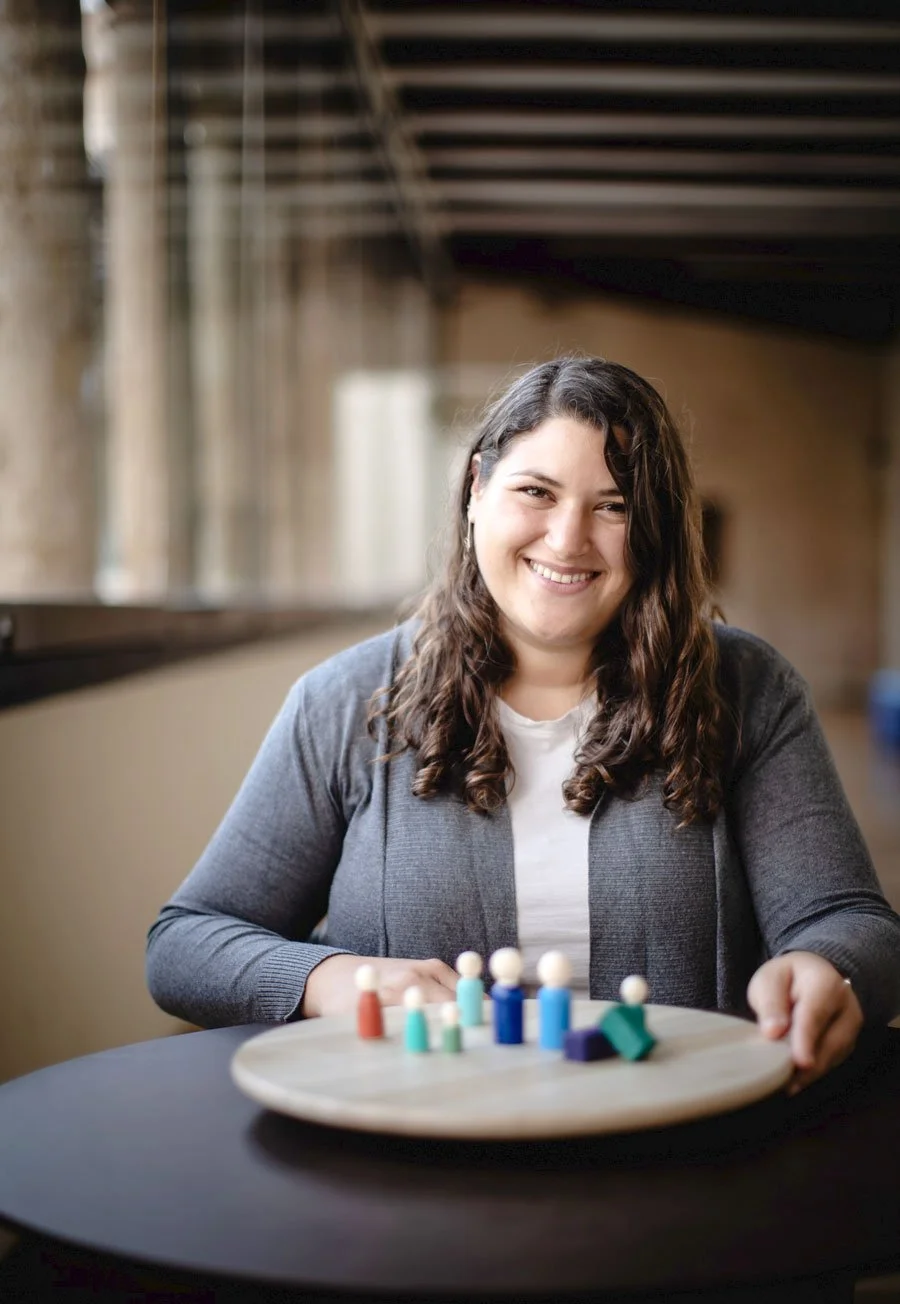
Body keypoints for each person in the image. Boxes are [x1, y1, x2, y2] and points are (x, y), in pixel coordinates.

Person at [146, 355, 900, 1098]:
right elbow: (185, 944)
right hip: (413, 1148)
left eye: (614, 506)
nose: (568, 540)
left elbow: (854, 923)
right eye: (536, 492)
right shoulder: (345, 701)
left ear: (657, 529)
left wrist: (827, 966)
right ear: (476, 488)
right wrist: (332, 978)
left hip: (681, 1153)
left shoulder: (747, 688)